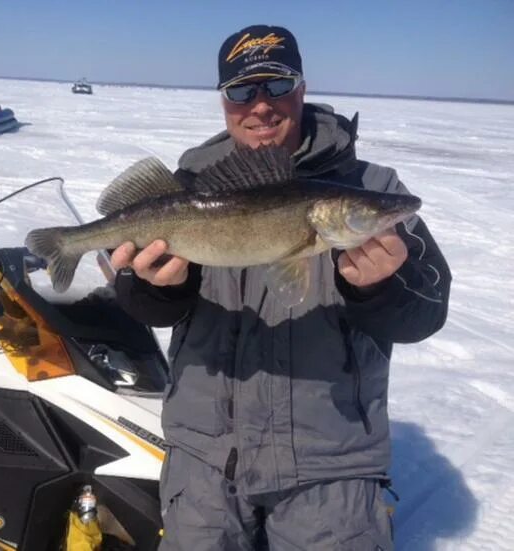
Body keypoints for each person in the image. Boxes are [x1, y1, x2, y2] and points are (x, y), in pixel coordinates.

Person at [110, 25, 451, 550]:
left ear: (302, 88)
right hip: (205, 466)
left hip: (330, 473)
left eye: (276, 85)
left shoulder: (372, 191)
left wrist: (380, 290)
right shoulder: (189, 191)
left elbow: (427, 311)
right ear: (224, 101)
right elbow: (142, 306)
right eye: (242, 91)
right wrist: (159, 289)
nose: (261, 106)